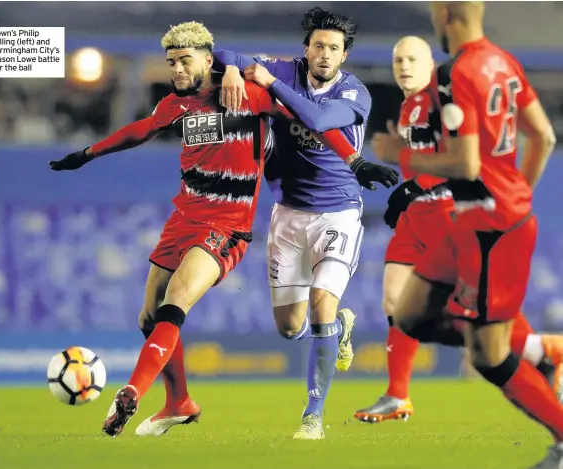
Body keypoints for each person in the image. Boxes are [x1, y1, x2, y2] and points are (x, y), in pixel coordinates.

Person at [49, 21, 392, 439]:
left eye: (185, 60)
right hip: (184, 215)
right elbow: (141, 129)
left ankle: (133, 392)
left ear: (207, 60)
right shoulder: (177, 104)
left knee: (177, 300)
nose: (176, 69)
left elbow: (317, 122)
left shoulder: (250, 94)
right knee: (150, 315)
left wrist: (356, 163)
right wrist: (87, 154)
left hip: (228, 222)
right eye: (171, 61)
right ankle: (179, 402)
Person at [373, 3, 562, 467]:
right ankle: (538, 348)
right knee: (410, 315)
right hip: (474, 220)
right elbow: (543, 136)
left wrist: (402, 155)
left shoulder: (453, 73)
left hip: (490, 230)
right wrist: (518, 192)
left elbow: (467, 164)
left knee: (489, 358)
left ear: (445, 13)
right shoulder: (503, 61)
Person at [213, 7, 398, 439]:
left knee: (321, 303)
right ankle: (338, 329)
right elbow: (220, 54)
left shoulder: (355, 94)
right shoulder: (286, 69)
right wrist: (232, 71)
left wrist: (268, 82)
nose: (324, 54)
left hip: (338, 213)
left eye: (333, 48)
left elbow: (316, 119)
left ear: (344, 56)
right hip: (288, 215)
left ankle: (312, 415)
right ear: (306, 49)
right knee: (290, 327)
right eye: (318, 46)